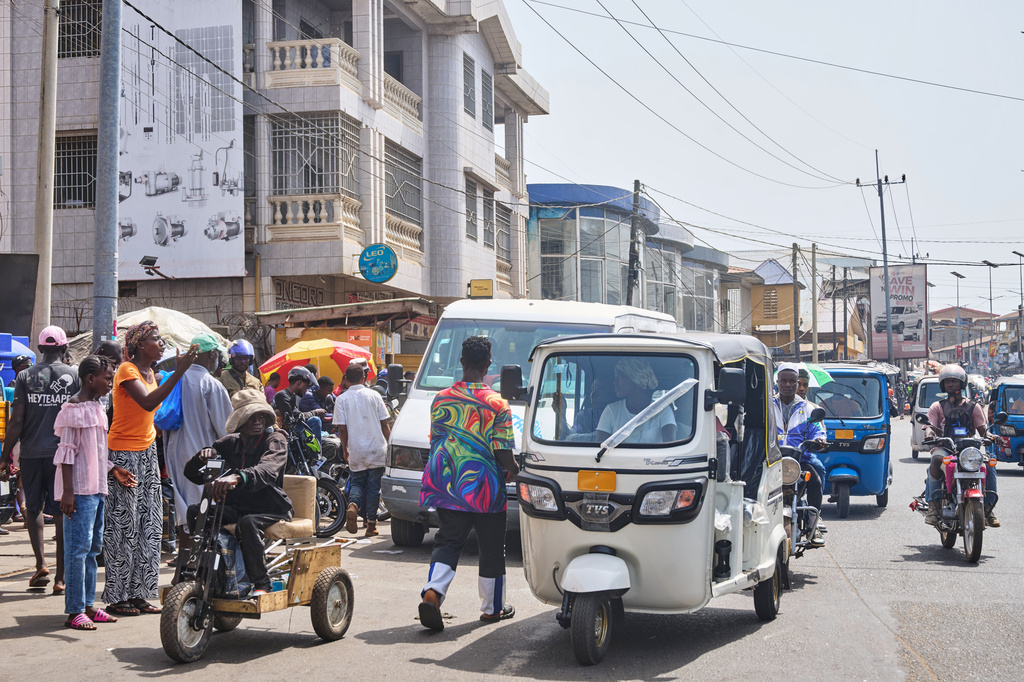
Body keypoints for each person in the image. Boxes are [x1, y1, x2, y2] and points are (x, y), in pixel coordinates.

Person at [418, 336, 518, 631]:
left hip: (447, 484)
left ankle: (433, 593)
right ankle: (491, 609)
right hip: (487, 488)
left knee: (448, 541)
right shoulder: (498, 404)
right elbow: (502, 451)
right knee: (491, 548)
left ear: (461, 362)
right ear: (489, 364)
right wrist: (514, 469)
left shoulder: (441, 399)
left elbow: (438, 441)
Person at [103, 321, 197, 616]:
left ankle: (140, 592)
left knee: (150, 524)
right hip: (124, 454)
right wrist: (180, 371)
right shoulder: (127, 371)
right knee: (124, 526)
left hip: (146, 453)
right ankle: (117, 596)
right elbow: (146, 404)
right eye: (157, 340)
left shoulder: (151, 374)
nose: (163, 344)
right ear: (141, 345)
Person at [54, 356, 137, 630]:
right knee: (77, 550)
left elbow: (96, 450)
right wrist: (68, 492)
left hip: (97, 489)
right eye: (106, 378)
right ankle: (74, 610)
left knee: (92, 550)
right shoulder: (72, 409)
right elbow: (66, 453)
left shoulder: (98, 407)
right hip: (79, 491)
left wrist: (113, 469)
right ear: (90, 379)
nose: (110, 383)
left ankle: (89, 605)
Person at [184, 389, 292, 596]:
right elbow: (193, 476)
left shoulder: (275, 440)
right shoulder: (226, 444)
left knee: (248, 523)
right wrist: (201, 457)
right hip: (237, 507)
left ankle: (262, 584)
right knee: (196, 512)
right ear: (240, 421)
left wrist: (237, 477)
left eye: (261, 416)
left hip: (270, 507)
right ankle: (209, 570)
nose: (257, 421)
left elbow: (268, 470)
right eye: (251, 417)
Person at [1, 326, 79, 591]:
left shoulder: (25, 376)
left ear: (40, 349)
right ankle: (60, 578)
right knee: (62, 513)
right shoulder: (74, 375)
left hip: (32, 453)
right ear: (64, 348)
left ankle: (40, 565)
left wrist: (4, 456)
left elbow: (17, 420)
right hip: (64, 455)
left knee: (33, 508)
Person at [163, 334, 233, 558]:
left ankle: (184, 560)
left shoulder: (174, 379)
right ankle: (196, 559)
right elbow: (226, 429)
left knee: (184, 508)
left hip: (174, 452)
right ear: (212, 355)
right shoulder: (210, 384)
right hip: (202, 456)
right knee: (201, 509)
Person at [922, 364, 999, 527]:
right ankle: (933, 507)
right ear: (943, 385)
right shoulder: (937, 406)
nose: (951, 384)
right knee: (936, 460)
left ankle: (988, 508)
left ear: (962, 384)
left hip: (968, 450)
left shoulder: (974, 406)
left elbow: (984, 431)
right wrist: (929, 435)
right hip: (945, 448)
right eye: (947, 381)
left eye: (954, 381)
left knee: (989, 465)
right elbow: (929, 426)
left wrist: (992, 436)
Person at [773, 362, 827, 547]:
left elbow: (818, 430)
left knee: (816, 480)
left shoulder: (809, 409)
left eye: (792, 381)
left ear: (798, 383)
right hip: (772, 462)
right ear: (777, 382)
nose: (788, 385)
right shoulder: (767, 406)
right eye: (784, 381)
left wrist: (819, 440)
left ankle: (814, 523)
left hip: (799, 462)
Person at [334, 364, 390, 538]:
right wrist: (391, 445)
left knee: (357, 483)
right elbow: (384, 424)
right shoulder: (375, 395)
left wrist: (345, 448)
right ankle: (370, 525)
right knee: (374, 488)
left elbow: (341, 429)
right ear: (364, 378)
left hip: (356, 449)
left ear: (346, 379)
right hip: (377, 448)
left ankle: (353, 505)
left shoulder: (342, 399)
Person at [595, 358, 676, 444]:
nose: (615, 382)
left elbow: (670, 445)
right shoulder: (611, 410)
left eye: (620, 376)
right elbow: (600, 447)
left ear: (635, 378)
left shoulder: (662, 411)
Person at [273, 367, 325, 438]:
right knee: (315, 421)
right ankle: (316, 449)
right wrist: (315, 412)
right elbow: (295, 418)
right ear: (299, 383)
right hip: (285, 433)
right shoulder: (282, 395)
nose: (306, 390)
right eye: (306, 386)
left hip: (292, 432)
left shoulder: (294, 397)